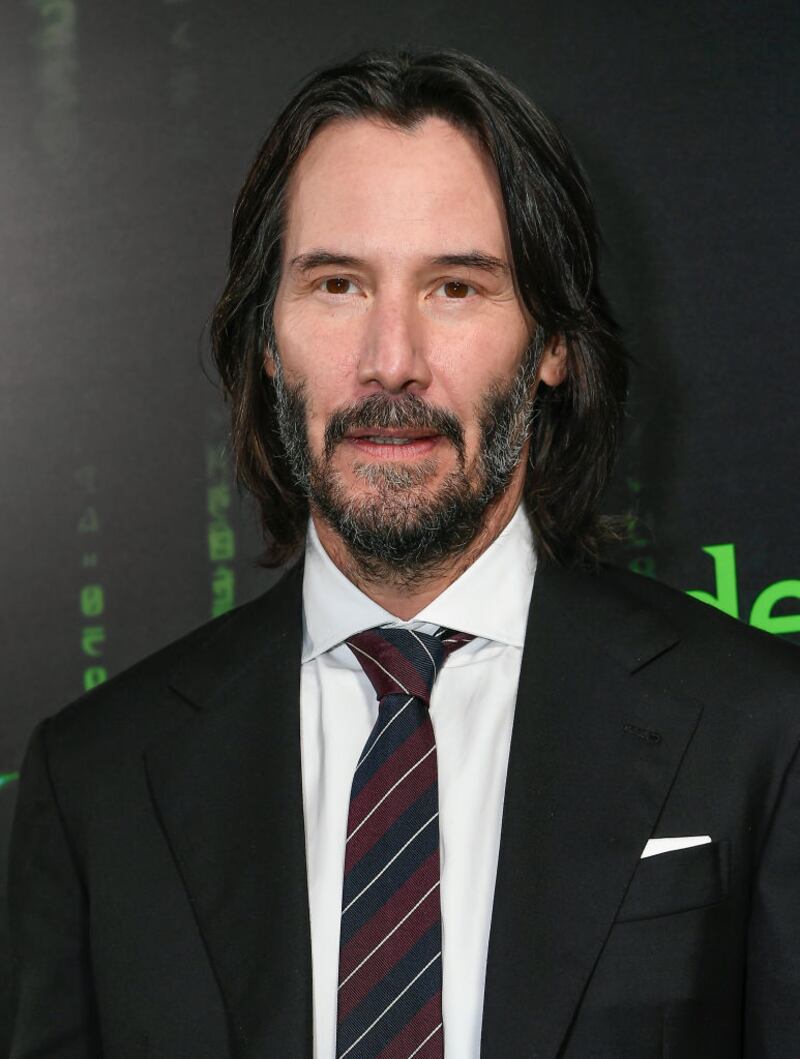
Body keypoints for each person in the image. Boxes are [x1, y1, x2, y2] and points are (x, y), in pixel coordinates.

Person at [8, 48, 800, 1059]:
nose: (391, 359)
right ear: (265, 338)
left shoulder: (758, 735)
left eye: (454, 289)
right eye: (337, 284)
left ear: (552, 344)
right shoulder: (95, 784)